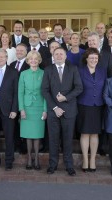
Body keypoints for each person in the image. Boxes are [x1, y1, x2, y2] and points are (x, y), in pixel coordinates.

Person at [42, 47, 83, 176]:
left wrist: (66, 97)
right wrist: (55, 107)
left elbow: (79, 88)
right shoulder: (48, 70)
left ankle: (69, 165)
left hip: (69, 110)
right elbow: (44, 90)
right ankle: (52, 165)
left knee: (68, 139)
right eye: (56, 54)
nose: (59, 56)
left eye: (61, 54)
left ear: (66, 56)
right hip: (53, 110)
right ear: (53, 56)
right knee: (53, 139)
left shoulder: (73, 69)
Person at [77, 48, 107, 172]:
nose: (93, 60)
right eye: (91, 58)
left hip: (98, 106)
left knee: (95, 133)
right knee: (84, 133)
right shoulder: (79, 71)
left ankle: (93, 160)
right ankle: (85, 160)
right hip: (84, 105)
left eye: (96, 58)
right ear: (86, 59)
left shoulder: (103, 71)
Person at [18, 51, 47, 170]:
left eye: (36, 59)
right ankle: (29, 158)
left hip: (39, 108)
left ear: (39, 60)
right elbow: (20, 93)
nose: (33, 61)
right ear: (28, 61)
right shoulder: (23, 74)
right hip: (27, 107)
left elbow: (46, 93)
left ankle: (37, 158)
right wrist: (21, 109)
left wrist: (45, 110)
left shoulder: (44, 73)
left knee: (37, 135)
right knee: (28, 135)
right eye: (31, 59)